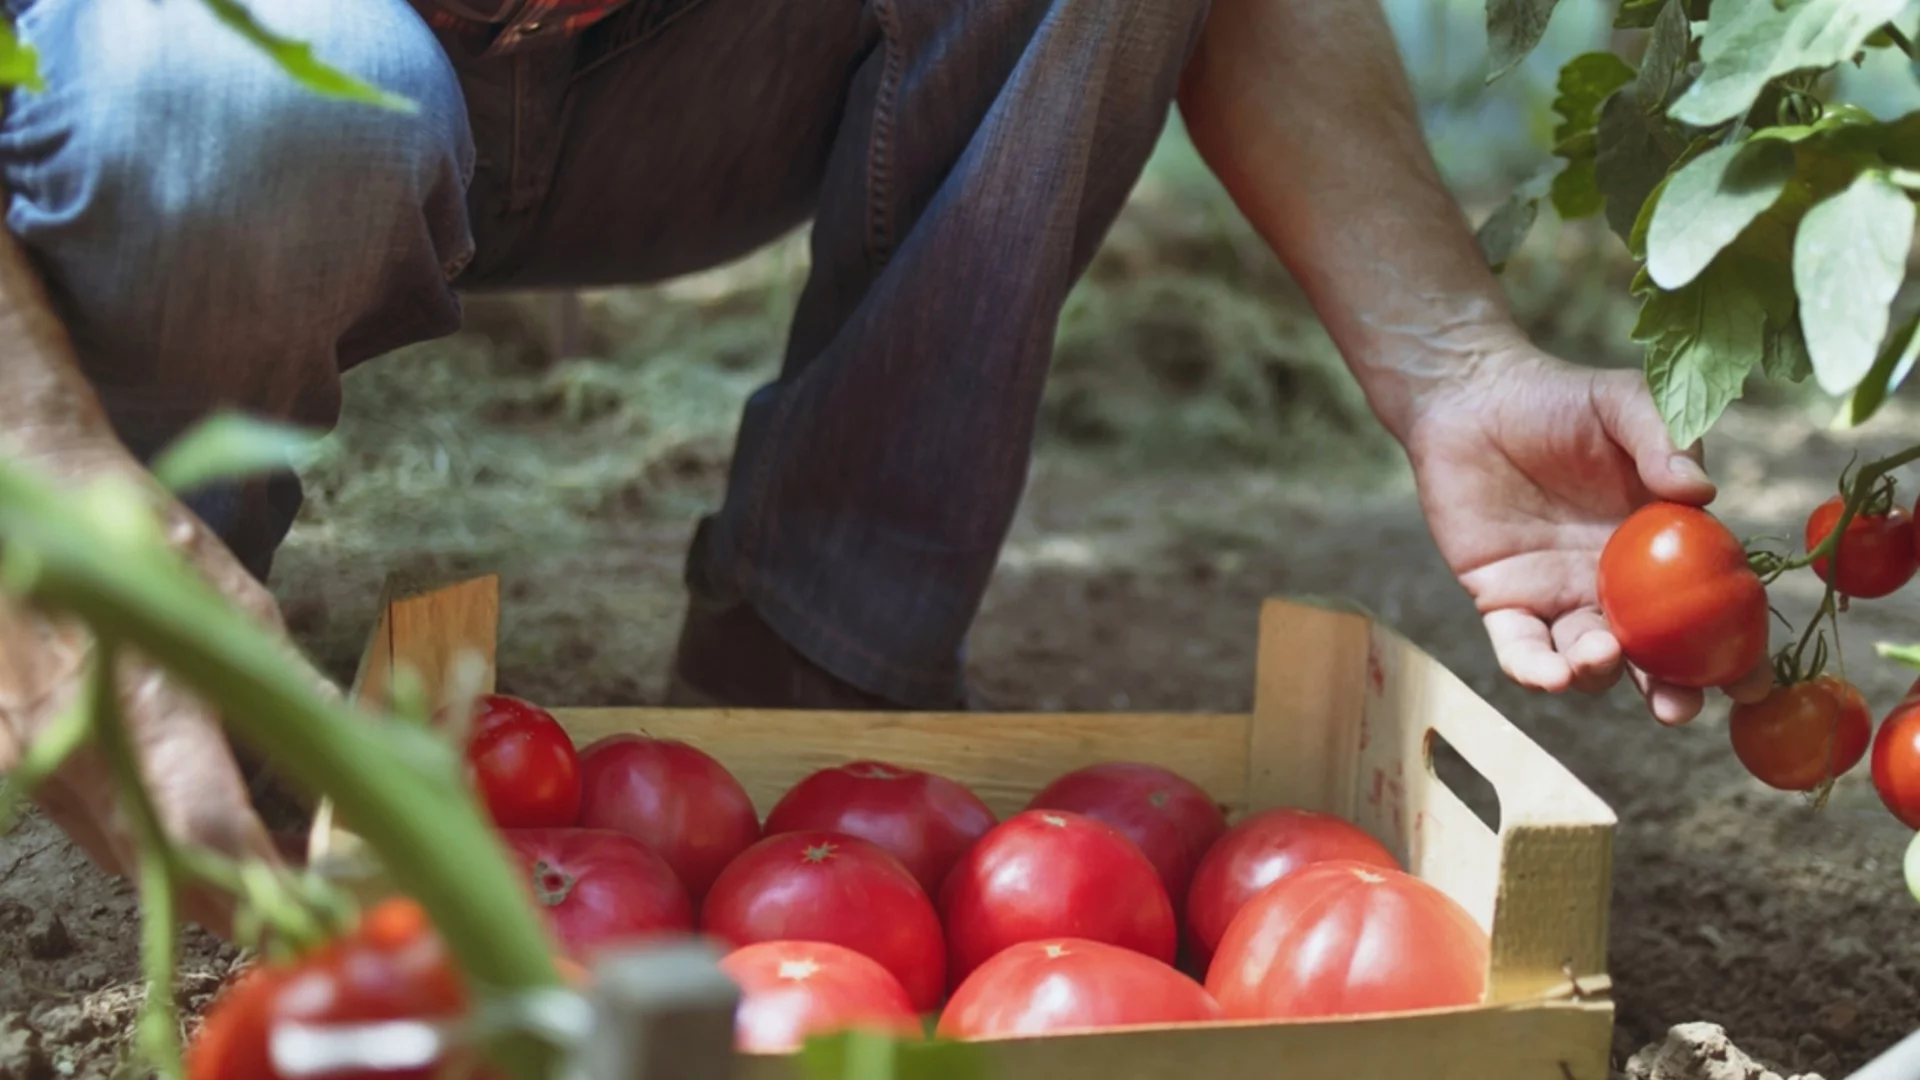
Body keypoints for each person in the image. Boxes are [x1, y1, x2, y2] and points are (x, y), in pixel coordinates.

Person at [0, 0, 1772, 931]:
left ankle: (818, 684)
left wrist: (1450, 357)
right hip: (223, 74)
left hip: (680, 72)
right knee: (254, 120)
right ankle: (135, 646)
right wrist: (38, 477)